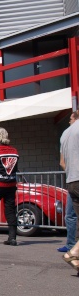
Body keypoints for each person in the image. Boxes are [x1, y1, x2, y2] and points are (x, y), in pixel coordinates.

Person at [61, 110, 79, 272]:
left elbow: (62, 161)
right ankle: (73, 252)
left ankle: (75, 254)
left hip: (72, 180)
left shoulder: (66, 133)